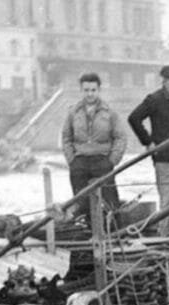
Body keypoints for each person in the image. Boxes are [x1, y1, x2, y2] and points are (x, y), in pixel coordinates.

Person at [128, 65, 169, 236]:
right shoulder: (155, 99)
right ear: (166, 81)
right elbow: (134, 118)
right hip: (164, 158)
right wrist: (148, 143)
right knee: (167, 199)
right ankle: (165, 234)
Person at [62, 72, 126, 217]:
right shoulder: (73, 112)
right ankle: (87, 231)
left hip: (102, 161)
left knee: (110, 202)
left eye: (93, 90)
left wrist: (112, 160)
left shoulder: (110, 113)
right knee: (81, 202)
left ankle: (115, 231)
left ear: (99, 90)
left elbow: (120, 138)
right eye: (86, 90)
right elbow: (66, 137)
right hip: (80, 162)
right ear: (81, 90)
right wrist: (72, 160)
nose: (90, 94)